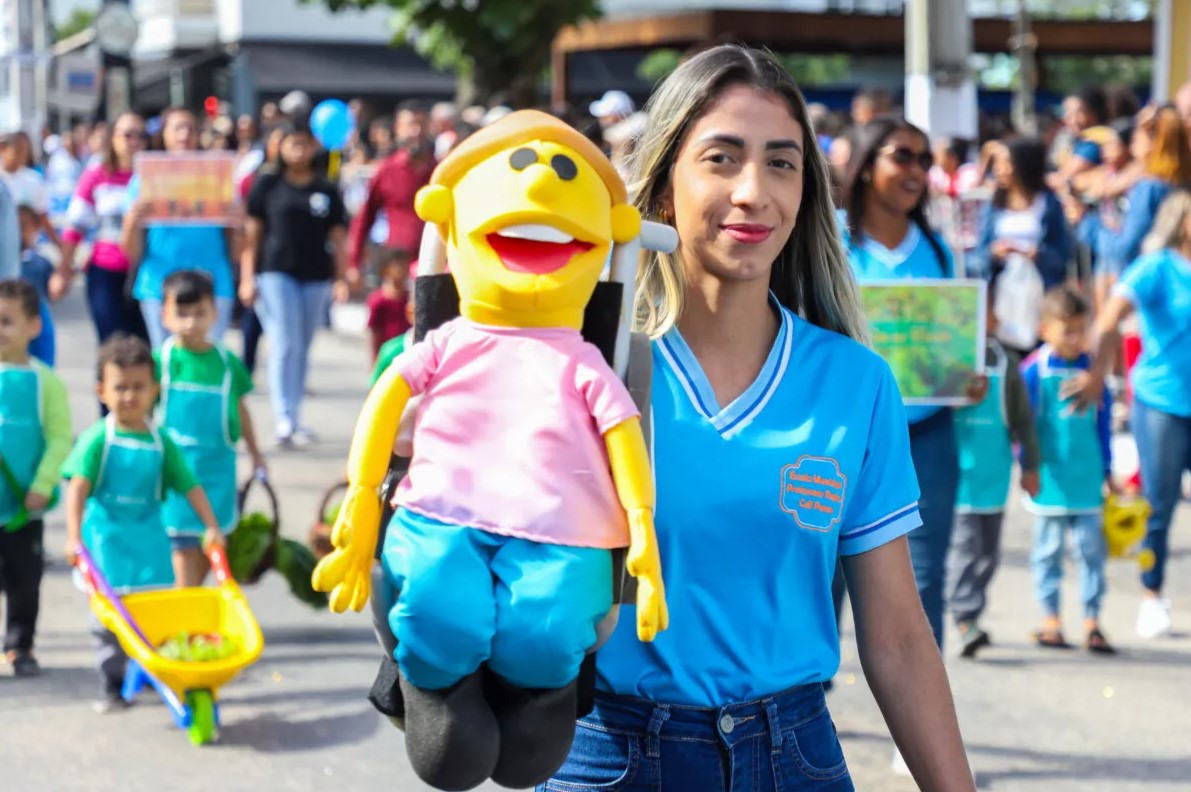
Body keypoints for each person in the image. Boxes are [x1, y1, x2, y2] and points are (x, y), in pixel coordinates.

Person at [546, 45, 974, 791]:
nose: (753, 192)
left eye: (781, 163)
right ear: (661, 187)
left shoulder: (854, 382)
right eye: (720, 158)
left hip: (795, 756)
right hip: (605, 752)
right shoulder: (586, 364)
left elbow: (899, 637)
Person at [841, 116, 984, 653]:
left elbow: (954, 338)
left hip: (926, 433)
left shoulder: (939, 248)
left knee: (924, 578)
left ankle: (915, 735)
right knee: (820, 574)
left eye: (925, 160)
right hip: (843, 430)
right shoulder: (830, 239)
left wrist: (965, 377)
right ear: (865, 163)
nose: (918, 170)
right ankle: (805, 720)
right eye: (903, 156)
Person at [62, 334, 224, 712]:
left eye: (138, 387)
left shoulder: (162, 441)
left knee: (154, 614)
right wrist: (73, 537)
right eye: (120, 387)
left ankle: (151, 669)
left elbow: (191, 485)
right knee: (109, 621)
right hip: (106, 541)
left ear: (155, 391)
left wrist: (211, 525)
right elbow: (78, 488)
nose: (130, 396)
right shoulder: (97, 439)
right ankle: (112, 681)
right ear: (102, 390)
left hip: (150, 539)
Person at [1071, 190, 1191, 639]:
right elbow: (1108, 319)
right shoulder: (1158, 268)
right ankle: (1151, 594)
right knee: (1158, 506)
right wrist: (1099, 374)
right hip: (1163, 402)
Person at [240, 121, 350, 447]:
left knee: (302, 345)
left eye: (304, 144)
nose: (298, 151)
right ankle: (283, 417)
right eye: (292, 144)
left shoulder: (326, 188)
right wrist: (247, 276)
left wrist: (342, 277)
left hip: (315, 275)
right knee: (285, 341)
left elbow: (339, 237)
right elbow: (252, 235)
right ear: (280, 147)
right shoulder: (268, 184)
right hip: (276, 272)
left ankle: (296, 416)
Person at [154, 271, 265, 586]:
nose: (191, 322)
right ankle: (185, 615)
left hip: (218, 471)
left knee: (211, 546)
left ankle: (191, 609)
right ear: (165, 316)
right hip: (174, 474)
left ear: (215, 313)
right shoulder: (161, 361)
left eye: (199, 313)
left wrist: (256, 454)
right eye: (182, 314)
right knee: (182, 547)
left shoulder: (228, 362)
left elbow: (241, 410)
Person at [1020, 286, 1115, 654]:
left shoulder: (1093, 371)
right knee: (1048, 550)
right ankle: (1051, 619)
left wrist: (1108, 469)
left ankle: (1092, 620)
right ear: (1045, 329)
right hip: (1050, 480)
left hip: (1087, 477)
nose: (1075, 338)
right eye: (1067, 329)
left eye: (1081, 329)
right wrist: (1026, 464)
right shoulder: (1033, 371)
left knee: (1092, 550)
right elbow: (1023, 425)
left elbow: (1103, 424)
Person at [946, 289, 1041, 658]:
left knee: (988, 554)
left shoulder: (1005, 363)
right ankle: (964, 618)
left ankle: (967, 610)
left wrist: (1031, 465)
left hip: (995, 478)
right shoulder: (946, 361)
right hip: (958, 480)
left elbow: (1022, 420)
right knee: (964, 550)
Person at [121, 107, 238, 348]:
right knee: (167, 363)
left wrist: (239, 222)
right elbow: (130, 250)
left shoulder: (219, 178)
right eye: (177, 128)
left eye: (191, 128)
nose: (184, 134)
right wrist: (133, 218)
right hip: (158, 285)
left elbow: (236, 245)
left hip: (213, 282)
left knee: (209, 362)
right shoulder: (143, 180)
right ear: (163, 134)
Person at [0, 280, 71, 677]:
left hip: (25, 507)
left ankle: (19, 645)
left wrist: (43, 484)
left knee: (24, 581)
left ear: (34, 326)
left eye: (7, 321)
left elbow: (60, 437)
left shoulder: (47, 383)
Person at [970, 137, 1074, 356]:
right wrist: (994, 254)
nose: (999, 170)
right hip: (1002, 298)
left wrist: (1038, 255)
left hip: (1041, 295)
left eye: (1005, 162)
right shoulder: (994, 206)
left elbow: (1064, 253)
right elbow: (978, 254)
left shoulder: (1049, 205)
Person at [56, 112, 147, 348]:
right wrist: (64, 268)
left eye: (141, 135)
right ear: (113, 138)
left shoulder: (155, 176)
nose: (134, 141)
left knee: (145, 348)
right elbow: (76, 224)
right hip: (106, 271)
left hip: (147, 275)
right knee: (112, 345)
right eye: (128, 134)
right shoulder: (97, 174)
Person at [1095, 105, 1191, 279]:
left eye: (1137, 136)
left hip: (1151, 283)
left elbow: (1126, 248)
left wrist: (1093, 227)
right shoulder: (1181, 181)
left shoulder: (1149, 187)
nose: (1133, 143)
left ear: (1155, 141)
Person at [347, 100, 434, 288]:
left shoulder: (442, 171)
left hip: (435, 267)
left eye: (422, 124)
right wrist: (354, 263)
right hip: (395, 270)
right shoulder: (386, 170)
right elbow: (364, 218)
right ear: (398, 129)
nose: (416, 132)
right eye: (411, 125)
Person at [17, 205, 56, 366]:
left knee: (41, 365)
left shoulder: (41, 263)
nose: (18, 232)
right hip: (10, 323)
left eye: (24, 226)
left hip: (35, 319)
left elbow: (51, 293)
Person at [365, 249, 411, 360]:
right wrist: (375, 361)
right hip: (386, 357)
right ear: (384, 271)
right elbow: (374, 333)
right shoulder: (378, 300)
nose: (403, 270)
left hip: (406, 354)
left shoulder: (410, 298)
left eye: (405, 266)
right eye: (398, 266)